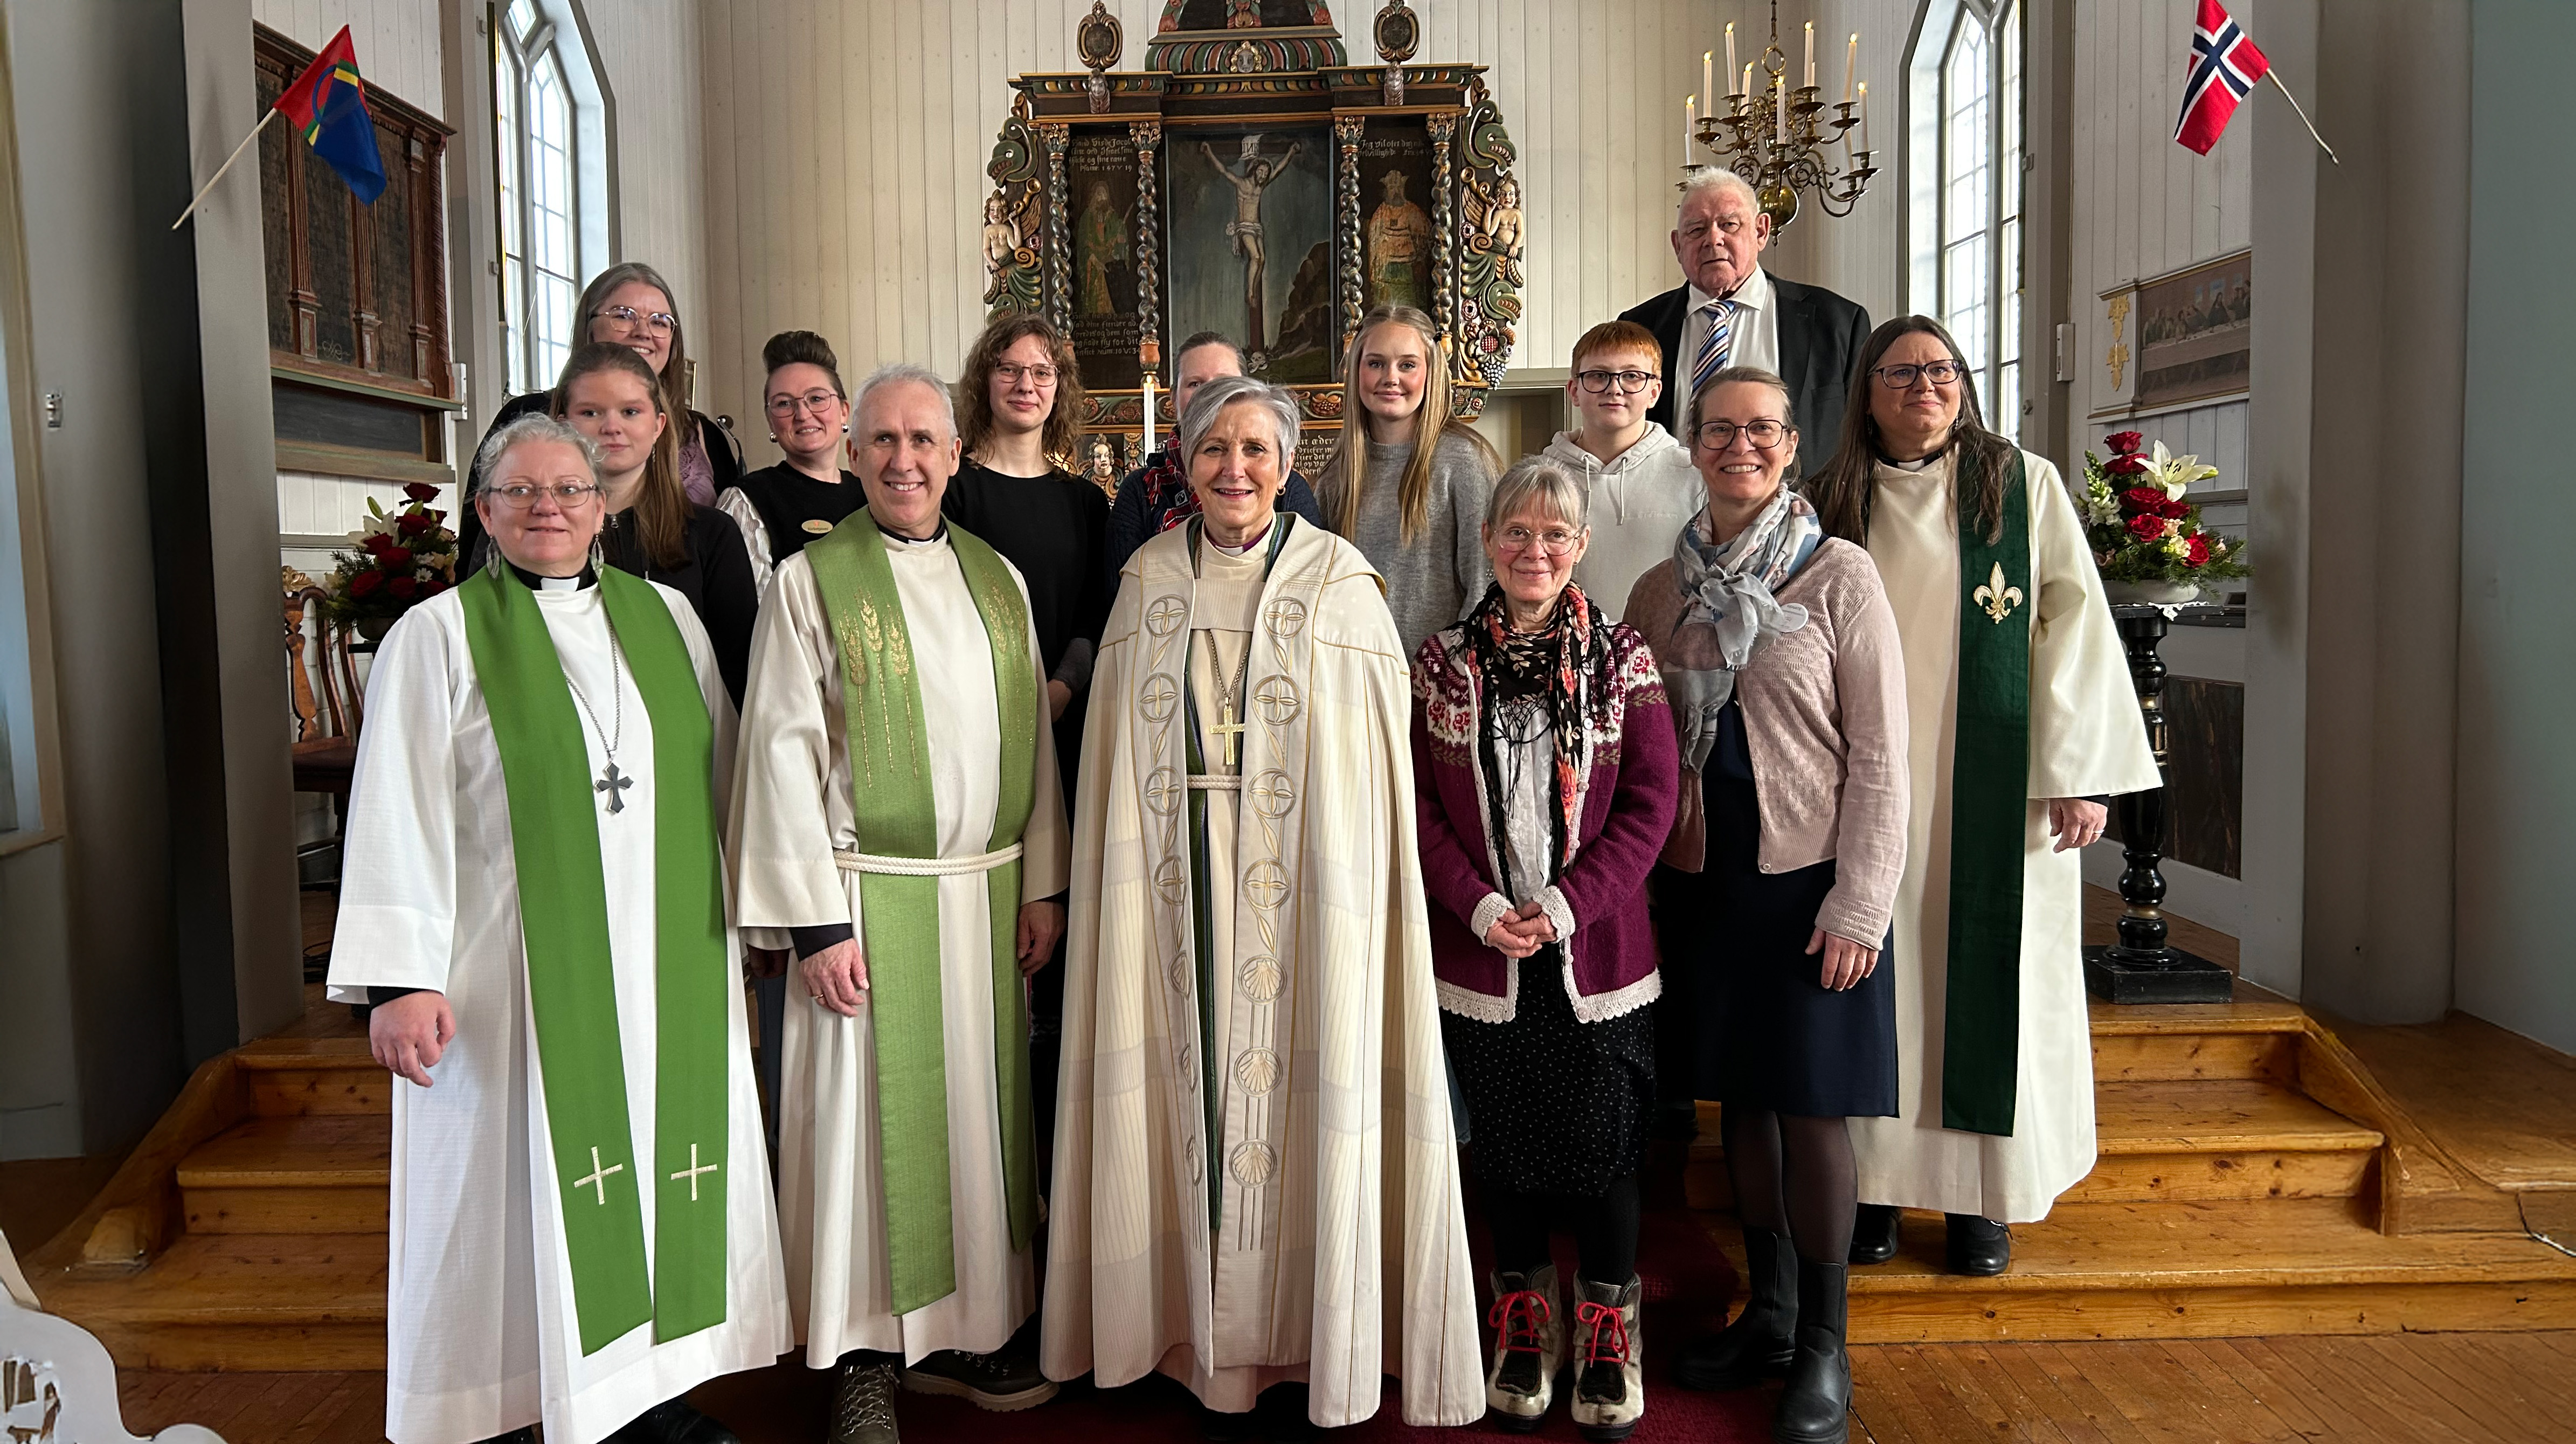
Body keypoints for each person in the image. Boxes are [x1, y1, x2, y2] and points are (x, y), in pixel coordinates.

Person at [330, 414, 788, 1444]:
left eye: (571, 490)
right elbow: (395, 805)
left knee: (669, 1174)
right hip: (509, 976)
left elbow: (722, 774)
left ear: (603, 505)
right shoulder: (438, 635)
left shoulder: (668, 617)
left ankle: (649, 1402)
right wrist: (400, 978)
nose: (550, 508)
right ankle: (524, 1403)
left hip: (669, 960)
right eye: (523, 491)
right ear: (485, 510)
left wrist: (754, 911)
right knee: (517, 1190)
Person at [1044, 375, 1483, 1436]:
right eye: (1212, 451)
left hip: (1308, 910)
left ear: (1287, 466)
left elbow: (1373, 774)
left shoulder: (1341, 585)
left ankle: (1313, 1333)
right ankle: (1182, 1328)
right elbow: (1109, 765)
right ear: (1182, 467)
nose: (1233, 469)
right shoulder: (1146, 579)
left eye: (1255, 450)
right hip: (1172, 896)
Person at [729, 364, 1071, 1444]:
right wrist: (816, 923)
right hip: (866, 905)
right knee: (862, 1140)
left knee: (977, 1123)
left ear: (953, 454)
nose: (903, 460)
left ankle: (970, 1328)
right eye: (881, 440)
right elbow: (776, 752)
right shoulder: (808, 580)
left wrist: (1041, 882)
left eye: (922, 440)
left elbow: (1036, 755)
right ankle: (863, 1357)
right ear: (856, 451)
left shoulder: (996, 580)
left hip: (978, 901)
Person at [1801, 317, 2156, 1279]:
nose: (1927, 384)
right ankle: (1871, 1187)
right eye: (1903, 370)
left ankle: (1982, 1200)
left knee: (1984, 986)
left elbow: (2074, 627)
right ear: (1865, 393)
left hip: (1993, 789)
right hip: (1866, 792)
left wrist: (2075, 768)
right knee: (1876, 983)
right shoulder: (1830, 498)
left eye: (1943, 368)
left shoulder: (2018, 485)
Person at [1622, 367, 1909, 1444]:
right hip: (1705, 880)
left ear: (1790, 447)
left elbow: (1883, 758)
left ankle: (1825, 1345)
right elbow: (1639, 750)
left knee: (1808, 1105)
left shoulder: (1839, 575)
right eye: (1718, 430)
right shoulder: (1659, 590)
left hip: (1808, 879)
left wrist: (1859, 903)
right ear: (1690, 445)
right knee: (1739, 1099)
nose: (1737, 445)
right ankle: (1771, 1310)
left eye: (1759, 431)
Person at [1412, 455, 1677, 1438]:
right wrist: (1481, 906)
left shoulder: (1625, 658)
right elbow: (1420, 808)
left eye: (1554, 534)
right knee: (1509, 1145)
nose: (1534, 549)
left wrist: (1568, 905)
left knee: (1605, 1144)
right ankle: (1524, 1318)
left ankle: (1608, 1322)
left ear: (1582, 546)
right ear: (1488, 542)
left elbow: (1650, 806)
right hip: (1483, 951)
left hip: (1596, 955)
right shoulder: (1441, 663)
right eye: (1516, 532)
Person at [940, 314, 1110, 1171]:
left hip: (1065, 730)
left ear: (1060, 387)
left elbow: (1094, 613)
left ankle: (1055, 1154)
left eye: (1041, 370)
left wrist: (1060, 688)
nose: (1025, 384)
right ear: (984, 382)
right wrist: (1004, 699)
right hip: (974, 737)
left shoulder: (1086, 501)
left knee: (1060, 933)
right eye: (1008, 369)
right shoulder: (956, 492)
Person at [502, 343, 761, 707]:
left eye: (630, 411)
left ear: (658, 425)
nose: (612, 427)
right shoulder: (527, 531)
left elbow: (738, 675)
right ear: (562, 424)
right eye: (590, 412)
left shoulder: (713, 534)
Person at [1619, 169, 1872, 476]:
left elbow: (1867, 437)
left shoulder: (1838, 323)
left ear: (1761, 231)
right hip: (1666, 514)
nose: (1713, 239)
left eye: (1729, 225)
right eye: (1696, 230)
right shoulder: (1639, 328)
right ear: (1677, 246)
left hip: (1802, 514)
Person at [470, 261, 744, 505]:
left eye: (659, 322)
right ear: (589, 330)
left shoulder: (706, 436)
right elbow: (482, 529)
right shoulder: (527, 416)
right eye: (623, 316)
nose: (643, 332)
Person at [1315, 304, 1500, 656]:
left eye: (1408, 365)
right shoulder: (1336, 477)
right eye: (1375, 363)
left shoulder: (1464, 461)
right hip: (1358, 681)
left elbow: (1486, 585)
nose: (1391, 377)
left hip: (1442, 683)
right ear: (1356, 371)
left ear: (1430, 373)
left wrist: (1448, 669)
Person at [1103, 330, 1324, 581]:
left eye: (1224, 381)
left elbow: (1310, 579)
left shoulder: (1285, 486)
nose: (1210, 394)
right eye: (1195, 384)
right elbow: (1121, 592)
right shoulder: (1141, 491)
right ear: (1173, 399)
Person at [1541, 320, 1704, 622]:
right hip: (1566, 656)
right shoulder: (1539, 480)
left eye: (1631, 376)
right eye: (1599, 375)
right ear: (1574, 391)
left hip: (1664, 656)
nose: (1614, 388)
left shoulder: (1694, 477)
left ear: (1654, 392)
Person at [718, 330, 868, 596]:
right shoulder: (746, 501)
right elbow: (749, 617)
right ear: (770, 420)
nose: (803, 414)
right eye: (784, 403)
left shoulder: (871, 492)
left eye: (817, 399)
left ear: (844, 411)